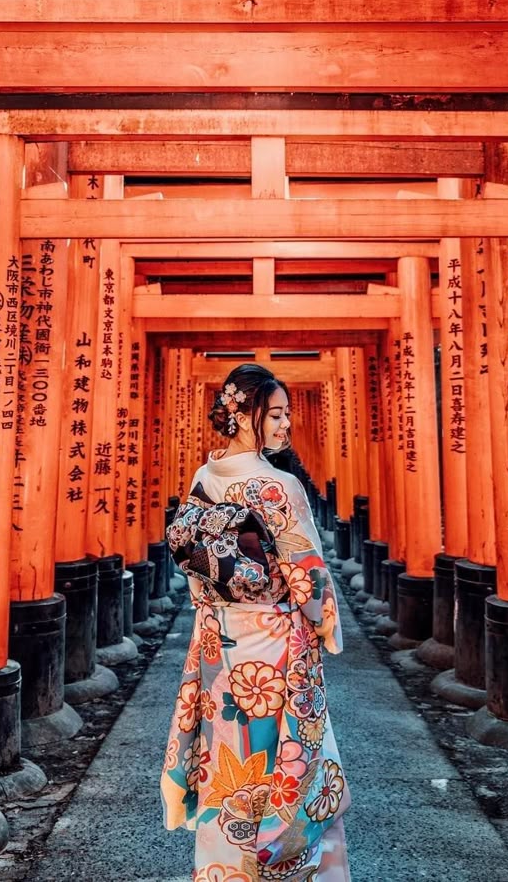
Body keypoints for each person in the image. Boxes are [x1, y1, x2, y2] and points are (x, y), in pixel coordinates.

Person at [160, 363, 351, 882]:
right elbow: (305, 569)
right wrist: (325, 622)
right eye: (277, 415)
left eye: (287, 415)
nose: (286, 425)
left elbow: (195, 558)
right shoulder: (278, 485)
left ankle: (222, 868)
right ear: (245, 416)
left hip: (219, 639)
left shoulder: (205, 476)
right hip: (274, 641)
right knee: (284, 756)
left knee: (224, 756)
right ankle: (289, 864)